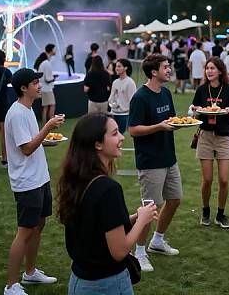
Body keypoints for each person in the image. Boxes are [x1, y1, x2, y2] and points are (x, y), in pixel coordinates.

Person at [57, 113, 158, 295]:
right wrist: (143, 220)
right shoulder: (108, 189)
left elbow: (94, 227)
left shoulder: (77, 180)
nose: (121, 137)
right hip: (106, 285)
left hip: (79, 281)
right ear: (97, 144)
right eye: (114, 133)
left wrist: (131, 219)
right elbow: (119, 251)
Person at [3, 68, 64, 295]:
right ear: (23, 88)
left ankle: (30, 273)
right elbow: (27, 148)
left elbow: (30, 142)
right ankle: (10, 286)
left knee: (38, 225)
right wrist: (47, 127)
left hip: (39, 178)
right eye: (35, 83)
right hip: (27, 181)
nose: (39, 86)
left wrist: (45, 136)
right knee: (25, 230)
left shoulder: (27, 110)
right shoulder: (17, 113)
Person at [128, 54, 181, 272]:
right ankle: (138, 251)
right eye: (165, 67)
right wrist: (158, 127)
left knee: (175, 199)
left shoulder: (166, 93)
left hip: (169, 157)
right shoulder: (140, 97)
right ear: (153, 72)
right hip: (150, 161)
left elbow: (172, 120)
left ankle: (157, 240)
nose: (169, 70)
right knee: (150, 208)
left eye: (169, 66)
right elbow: (133, 130)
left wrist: (177, 124)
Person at [190, 57, 229, 229]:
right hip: (205, 136)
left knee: (224, 180)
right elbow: (194, 111)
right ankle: (205, 211)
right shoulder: (202, 90)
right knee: (208, 179)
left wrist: (227, 110)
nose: (209, 71)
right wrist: (194, 111)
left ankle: (220, 214)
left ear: (220, 71)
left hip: (224, 137)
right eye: (207, 68)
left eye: (212, 68)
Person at [109, 59, 137, 135]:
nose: (116, 68)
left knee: (119, 136)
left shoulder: (130, 82)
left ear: (125, 68)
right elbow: (111, 97)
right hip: (113, 114)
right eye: (116, 66)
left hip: (124, 115)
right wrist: (113, 104)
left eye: (119, 66)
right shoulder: (115, 82)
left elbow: (133, 101)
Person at [34, 44, 58, 125]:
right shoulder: (47, 63)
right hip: (47, 89)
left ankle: (46, 124)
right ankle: (51, 123)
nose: (56, 51)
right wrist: (54, 78)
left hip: (43, 88)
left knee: (45, 106)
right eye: (54, 49)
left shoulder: (43, 62)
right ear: (51, 50)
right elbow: (47, 79)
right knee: (52, 105)